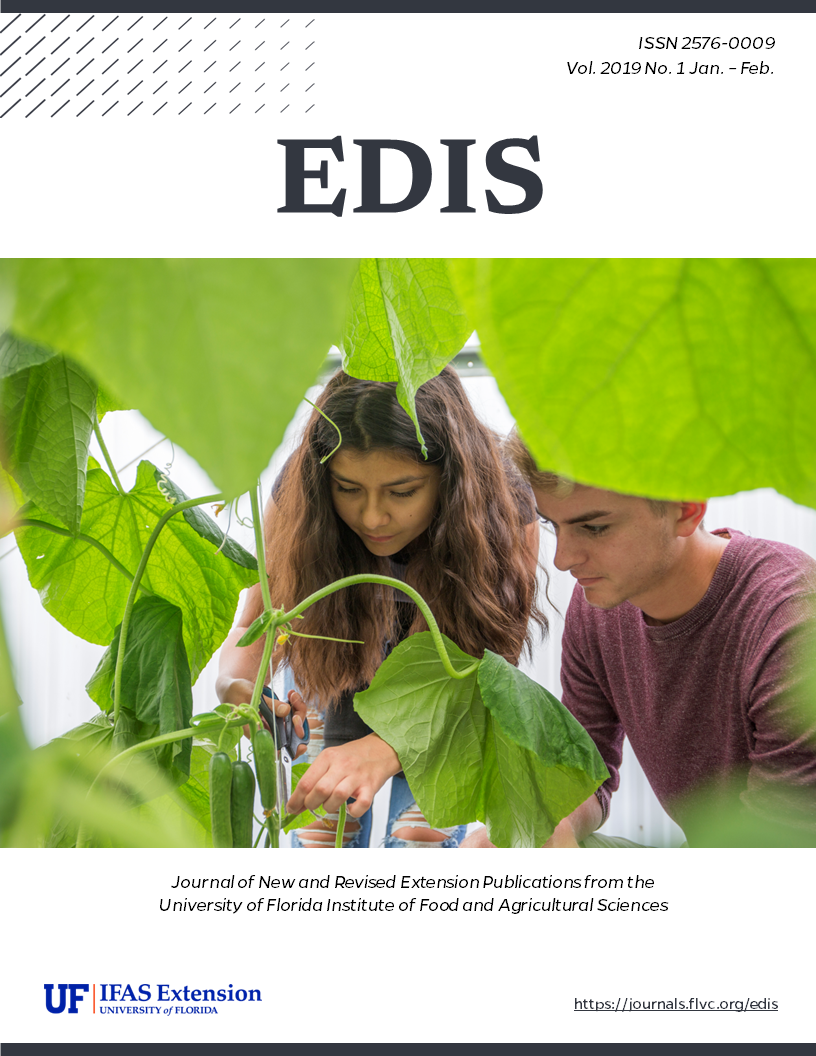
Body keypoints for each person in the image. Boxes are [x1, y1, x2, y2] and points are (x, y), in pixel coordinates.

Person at [216, 369, 544, 847]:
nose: (372, 517)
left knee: (418, 848)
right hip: (334, 673)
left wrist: (388, 747)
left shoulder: (505, 500)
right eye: (348, 489)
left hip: (445, 693)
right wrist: (238, 687)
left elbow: (492, 669)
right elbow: (253, 626)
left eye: (402, 492)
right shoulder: (301, 491)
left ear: (449, 477)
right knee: (319, 846)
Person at [465, 430, 816, 848]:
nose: (562, 559)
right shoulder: (597, 605)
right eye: (553, 525)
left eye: (594, 527)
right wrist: (543, 823)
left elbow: (777, 840)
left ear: (685, 508)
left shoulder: (790, 615)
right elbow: (585, 769)